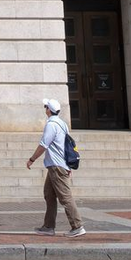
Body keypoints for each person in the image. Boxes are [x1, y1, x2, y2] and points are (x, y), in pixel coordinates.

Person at [25, 98, 85, 237]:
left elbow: (43, 145)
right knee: (49, 194)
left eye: (45, 106)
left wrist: (31, 159)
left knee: (65, 197)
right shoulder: (62, 124)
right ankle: (48, 226)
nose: (44, 109)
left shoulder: (51, 125)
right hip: (57, 165)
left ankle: (77, 225)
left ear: (48, 110)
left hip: (57, 166)